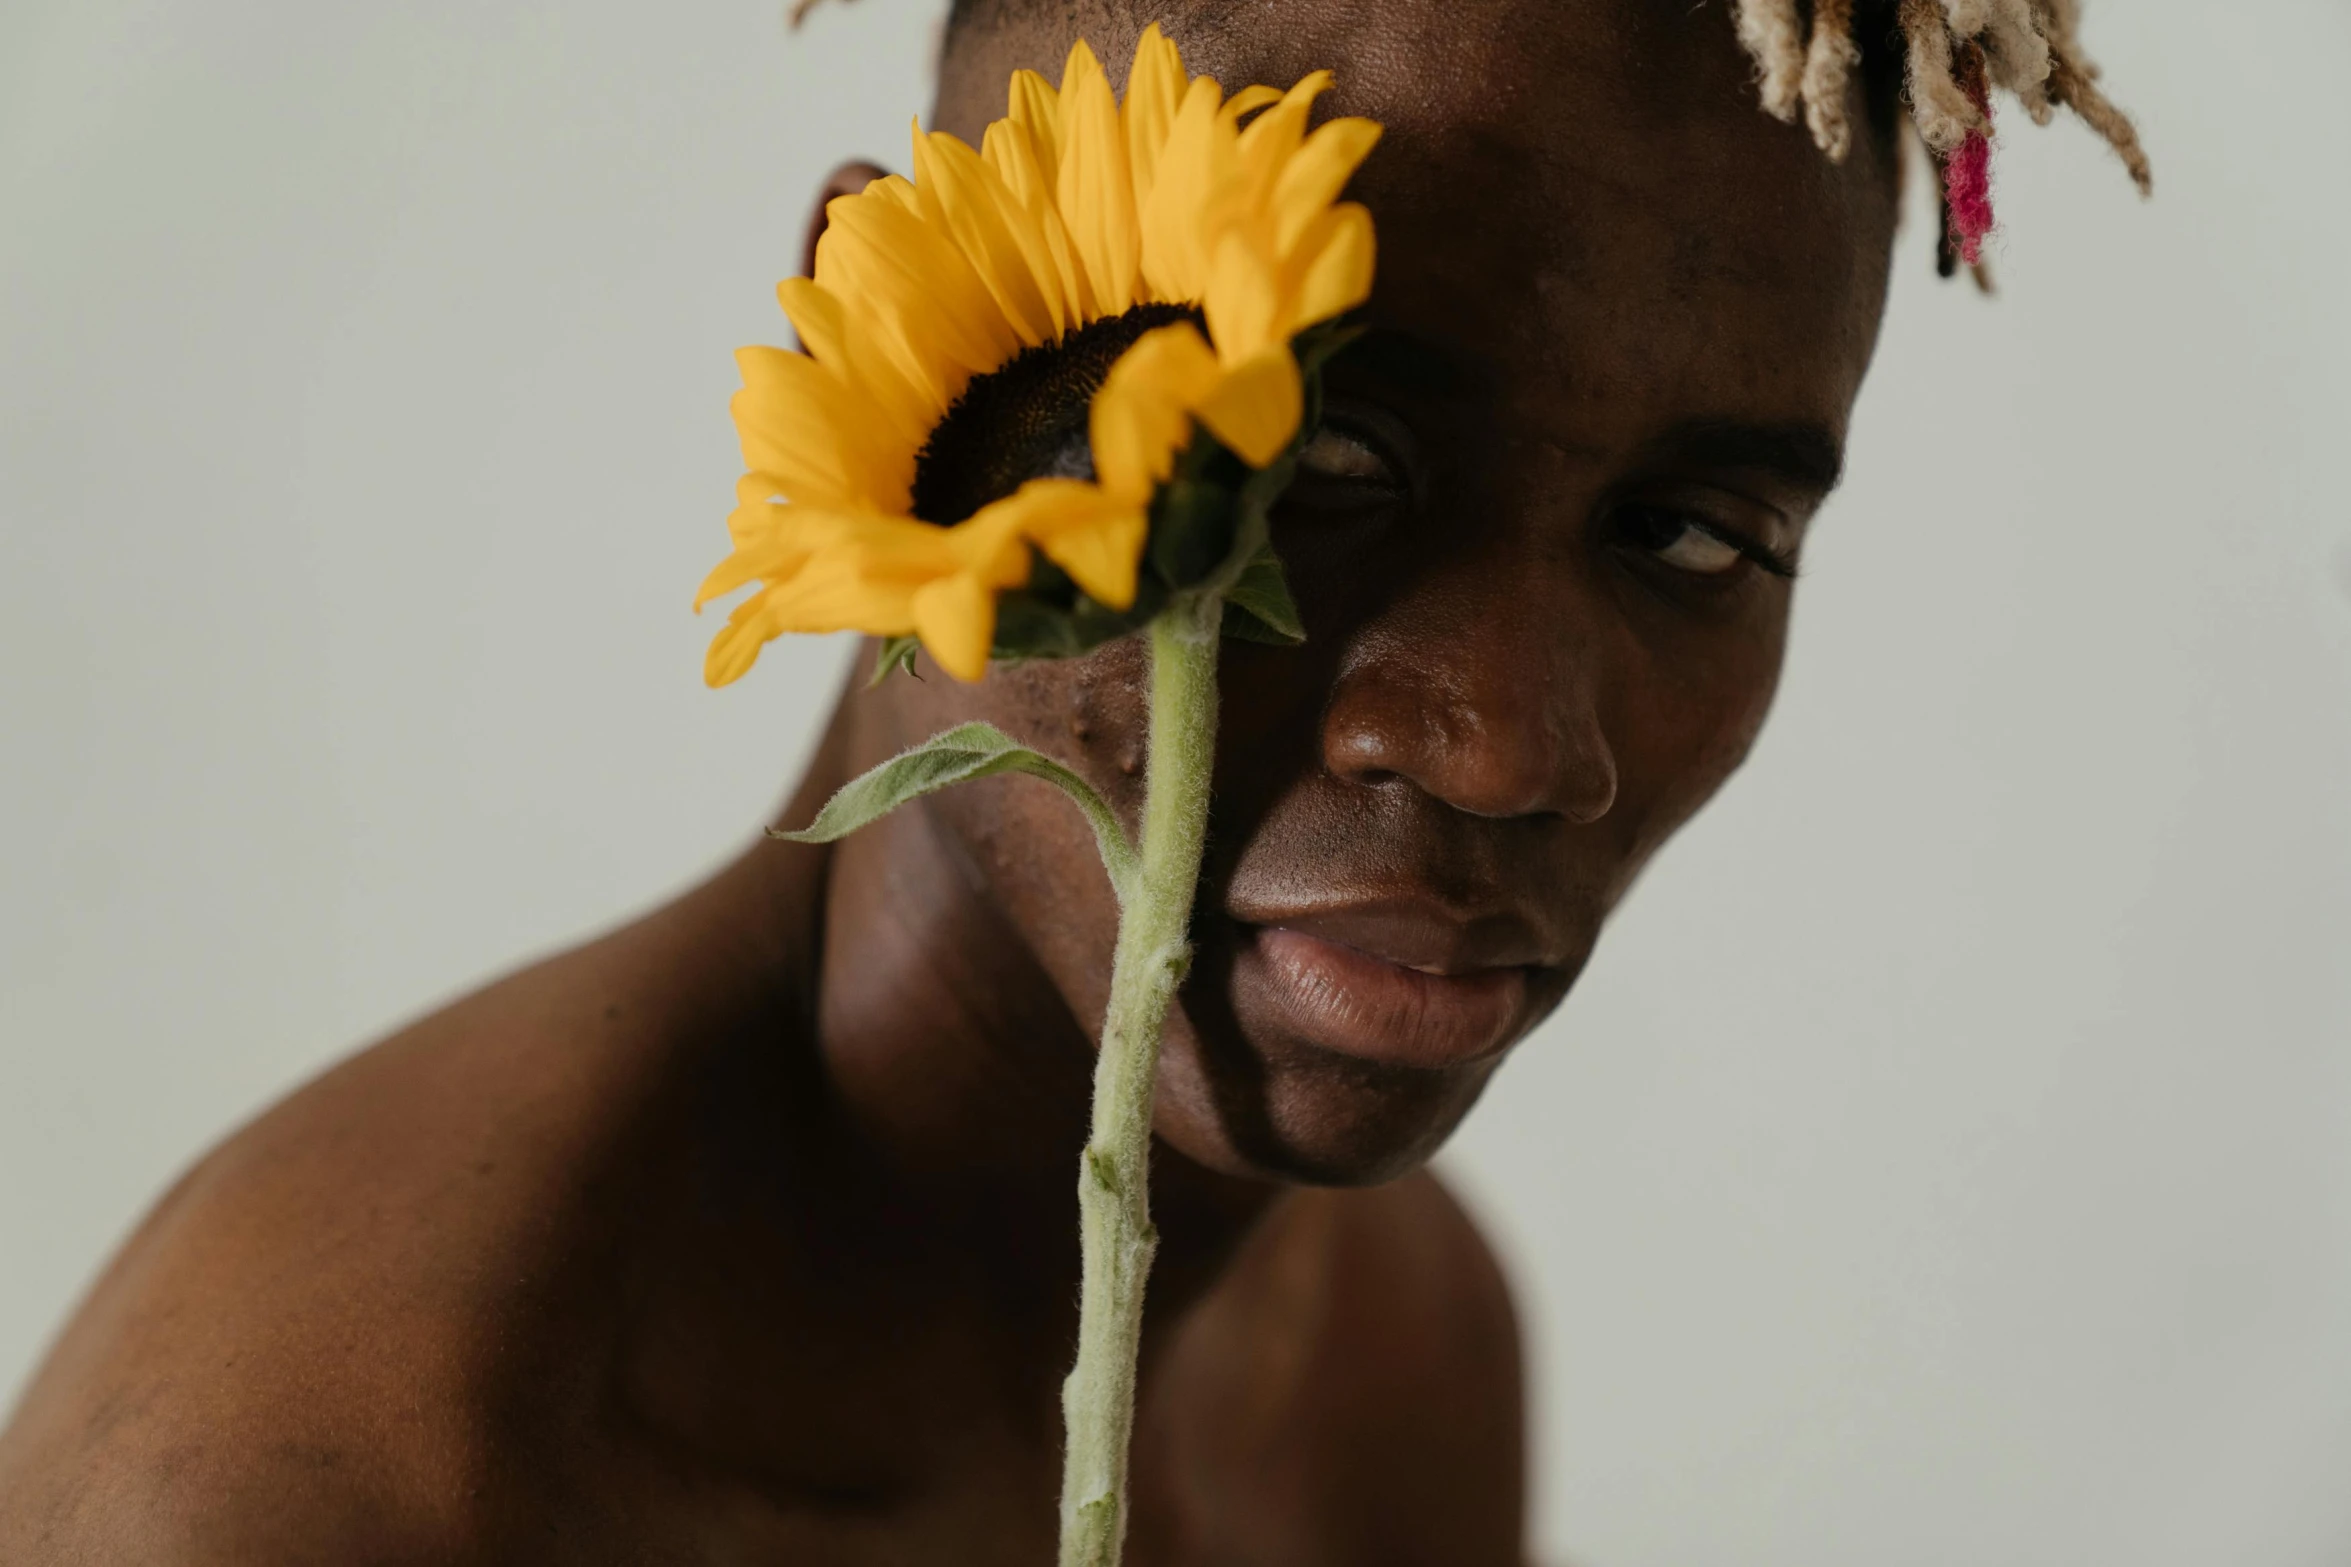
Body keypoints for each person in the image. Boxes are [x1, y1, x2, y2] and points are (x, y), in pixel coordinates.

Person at [0, 1, 2143, 1561]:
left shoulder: (1391, 1348)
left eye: (1697, 538)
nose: (1510, 744)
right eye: (1312, 464)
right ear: (898, 341)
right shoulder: (328, 1498)